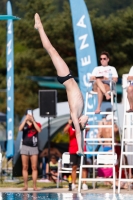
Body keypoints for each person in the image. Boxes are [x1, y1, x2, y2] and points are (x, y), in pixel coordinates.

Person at [34, 13, 88, 156]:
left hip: (65, 77)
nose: (86, 121)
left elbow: (78, 133)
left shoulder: (75, 116)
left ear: (80, 123)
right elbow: (84, 124)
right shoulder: (81, 112)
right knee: (51, 51)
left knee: (51, 49)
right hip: (67, 77)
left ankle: (39, 27)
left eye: (85, 123)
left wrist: (80, 149)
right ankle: (39, 27)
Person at [63, 119, 89, 190]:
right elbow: (64, 131)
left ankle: (84, 184)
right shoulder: (71, 125)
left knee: (83, 167)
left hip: (82, 149)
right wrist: (70, 124)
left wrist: (80, 123)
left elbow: (88, 128)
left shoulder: (81, 122)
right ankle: (73, 183)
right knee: (74, 167)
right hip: (73, 149)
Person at [19, 109, 41, 191]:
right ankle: (25, 186)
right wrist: (25, 120)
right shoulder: (24, 124)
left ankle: (34, 186)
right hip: (25, 146)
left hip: (34, 147)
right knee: (25, 167)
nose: (29, 116)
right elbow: (19, 129)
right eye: (28, 115)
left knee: (34, 167)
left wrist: (33, 121)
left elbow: (39, 130)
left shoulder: (37, 124)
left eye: (31, 115)